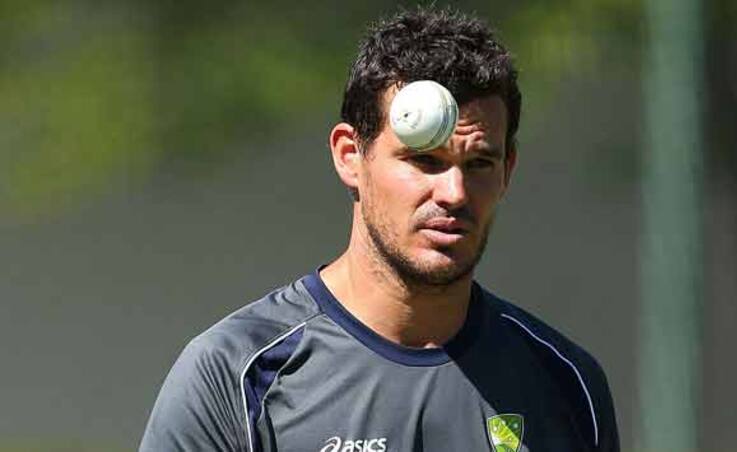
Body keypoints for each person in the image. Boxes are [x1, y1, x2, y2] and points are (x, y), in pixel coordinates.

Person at [140, 7, 619, 452]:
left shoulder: (564, 383)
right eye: (424, 160)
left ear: (508, 170)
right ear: (351, 155)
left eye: (478, 163)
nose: (454, 191)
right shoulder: (236, 376)